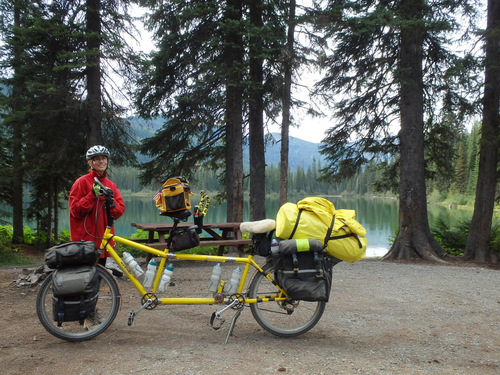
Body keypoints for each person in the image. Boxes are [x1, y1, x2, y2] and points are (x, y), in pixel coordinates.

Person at [68, 145, 126, 276]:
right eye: (96, 159)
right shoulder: (81, 182)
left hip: (103, 242)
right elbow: (75, 211)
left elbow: (120, 210)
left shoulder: (110, 185)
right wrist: (91, 195)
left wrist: (111, 202)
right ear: (90, 162)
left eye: (104, 158)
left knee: (97, 280)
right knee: (82, 281)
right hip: (84, 242)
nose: (101, 162)